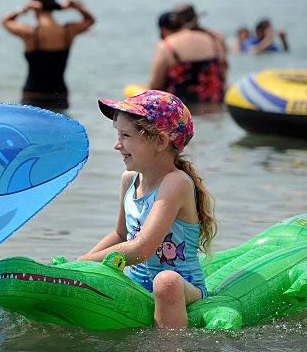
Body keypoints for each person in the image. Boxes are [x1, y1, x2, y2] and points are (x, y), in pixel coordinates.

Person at [78, 90, 217, 328]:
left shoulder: (176, 182)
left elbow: (142, 248)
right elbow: (120, 235)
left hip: (181, 286)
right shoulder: (129, 179)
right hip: (137, 283)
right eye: (117, 134)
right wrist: (80, 264)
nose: (116, 144)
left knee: (165, 282)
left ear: (160, 142)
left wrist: (89, 261)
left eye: (126, 135)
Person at [0, 0, 95, 111]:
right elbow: (90, 20)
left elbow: (5, 21)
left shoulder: (30, 33)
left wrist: (24, 8)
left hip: (32, 95)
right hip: (59, 96)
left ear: (35, 8)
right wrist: (74, 6)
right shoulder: (67, 32)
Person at [146, 4, 226, 105]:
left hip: (182, 109)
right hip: (215, 104)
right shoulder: (213, 39)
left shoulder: (166, 46)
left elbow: (156, 84)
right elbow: (223, 71)